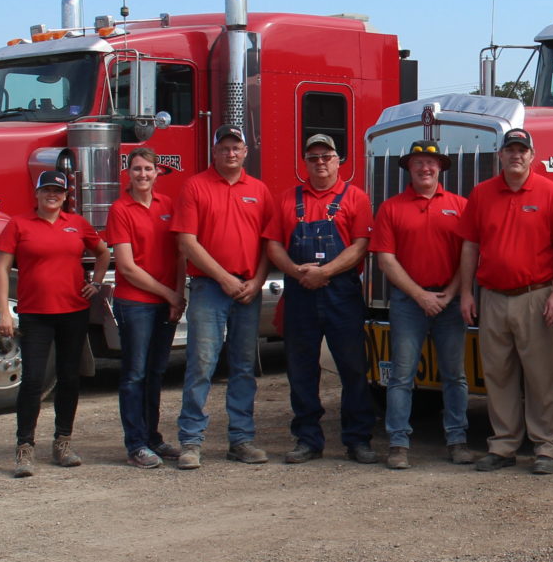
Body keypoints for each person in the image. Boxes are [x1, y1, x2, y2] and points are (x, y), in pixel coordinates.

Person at [458, 127, 553, 474]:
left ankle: (546, 447)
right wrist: (466, 292)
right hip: (492, 297)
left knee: (541, 376)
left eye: (523, 150)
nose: (516, 155)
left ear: (532, 156)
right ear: (501, 155)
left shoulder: (552, 193)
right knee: (498, 375)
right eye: (511, 150)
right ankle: (504, 445)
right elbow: (470, 245)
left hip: (534, 297)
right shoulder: (481, 194)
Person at [266, 132, 378, 466]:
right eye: (313, 158)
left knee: (353, 369)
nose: (320, 163)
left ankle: (358, 440)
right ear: (306, 163)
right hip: (300, 293)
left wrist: (325, 272)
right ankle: (307, 439)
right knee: (301, 370)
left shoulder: (355, 198)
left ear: (338, 160)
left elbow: (361, 245)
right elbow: (272, 244)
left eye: (326, 157)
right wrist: (297, 271)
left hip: (341, 293)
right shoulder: (288, 199)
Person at [0, 169, 108, 477]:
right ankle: (24, 448)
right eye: (46, 190)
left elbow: (103, 253)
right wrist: (5, 311)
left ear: (66, 195)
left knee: (69, 378)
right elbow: (2, 268)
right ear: (37, 193)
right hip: (35, 314)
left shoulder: (77, 225)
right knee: (32, 381)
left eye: (58, 191)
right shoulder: (18, 225)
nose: (52, 195)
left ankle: (63, 443)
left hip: (73, 311)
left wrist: (95, 283)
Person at [173, 125, 274, 469]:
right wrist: (225, 279)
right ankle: (191, 441)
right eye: (224, 148)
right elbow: (187, 243)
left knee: (244, 368)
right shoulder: (195, 186)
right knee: (202, 365)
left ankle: (241, 440)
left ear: (246, 152)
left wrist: (257, 280)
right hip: (209, 289)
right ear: (214, 152)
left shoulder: (259, 191)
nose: (231, 153)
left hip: (248, 290)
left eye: (237, 148)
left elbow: (268, 243)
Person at [372, 140, 472, 470]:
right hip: (408, 303)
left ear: (440, 167)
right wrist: (420, 295)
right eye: (418, 163)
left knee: (454, 375)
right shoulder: (391, 208)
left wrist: (450, 292)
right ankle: (398, 443)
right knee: (401, 375)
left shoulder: (460, 206)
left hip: (449, 301)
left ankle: (457, 439)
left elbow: (468, 256)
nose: (425, 168)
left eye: (430, 163)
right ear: (408, 169)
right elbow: (386, 260)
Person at [106, 146, 185, 469]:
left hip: (166, 303)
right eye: (137, 169)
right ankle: (135, 444)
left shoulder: (168, 206)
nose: (143, 175)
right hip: (135, 304)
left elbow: (181, 254)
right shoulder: (120, 209)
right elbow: (126, 267)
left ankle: (152, 437)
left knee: (155, 373)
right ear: (128, 173)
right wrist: (169, 294)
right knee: (135, 375)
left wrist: (179, 296)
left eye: (148, 170)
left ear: (157, 173)